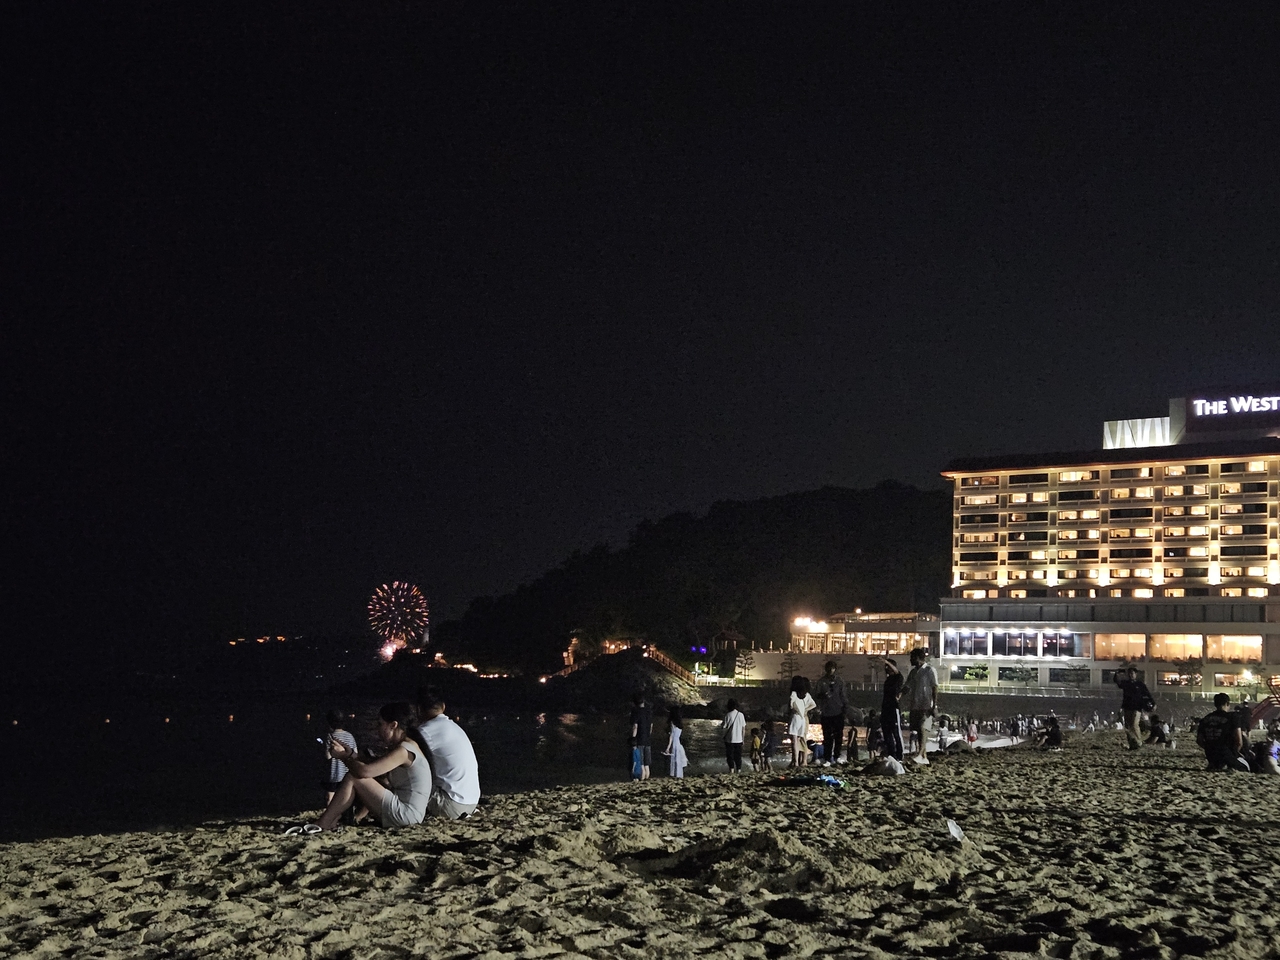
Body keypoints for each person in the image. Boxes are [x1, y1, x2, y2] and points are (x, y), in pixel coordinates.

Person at [311, 702, 431, 832]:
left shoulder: (403, 751)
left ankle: (324, 822)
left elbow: (364, 771)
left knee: (353, 777)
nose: (377, 730)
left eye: (380, 724)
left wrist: (343, 757)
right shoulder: (408, 746)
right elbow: (376, 765)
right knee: (366, 777)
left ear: (393, 725)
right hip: (409, 813)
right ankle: (333, 819)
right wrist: (351, 754)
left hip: (407, 815)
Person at [416, 687, 482, 820]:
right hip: (471, 801)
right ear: (443, 707)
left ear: (418, 709)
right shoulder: (455, 728)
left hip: (452, 805)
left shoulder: (425, 732)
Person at [900, 648, 938, 765]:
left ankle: (920, 754)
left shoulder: (929, 670)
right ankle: (924, 757)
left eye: (912, 657)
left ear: (917, 658)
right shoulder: (913, 672)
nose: (910, 660)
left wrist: (934, 705)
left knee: (923, 728)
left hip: (926, 705)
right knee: (918, 730)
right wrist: (899, 695)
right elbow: (907, 686)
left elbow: (935, 687)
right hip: (915, 705)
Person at [1196, 693, 1244, 771]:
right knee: (1246, 766)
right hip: (1226, 754)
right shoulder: (1233, 717)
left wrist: (1210, 747)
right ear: (1227, 703)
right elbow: (1239, 742)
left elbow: (1199, 740)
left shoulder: (1205, 719)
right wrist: (1234, 754)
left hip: (1211, 754)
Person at [814, 660, 849, 765]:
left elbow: (844, 696)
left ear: (835, 669)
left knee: (838, 736)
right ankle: (827, 758)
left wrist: (845, 709)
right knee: (827, 737)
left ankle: (837, 756)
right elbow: (816, 695)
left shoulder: (840, 681)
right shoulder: (821, 682)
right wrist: (823, 695)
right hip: (826, 713)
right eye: (829, 668)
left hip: (838, 711)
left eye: (832, 668)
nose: (830, 670)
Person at [321, 709, 358, 805]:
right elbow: (355, 754)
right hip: (346, 773)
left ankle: (330, 813)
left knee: (330, 797)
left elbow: (328, 756)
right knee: (345, 796)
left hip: (333, 774)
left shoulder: (330, 737)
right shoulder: (350, 736)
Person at [1115, 666, 1154, 750]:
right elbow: (1117, 682)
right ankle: (1132, 743)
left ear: (1136, 674)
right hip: (1127, 707)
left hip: (1137, 707)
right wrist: (1117, 673)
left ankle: (1139, 741)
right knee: (1128, 726)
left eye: (1132, 673)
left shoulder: (1140, 684)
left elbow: (1147, 694)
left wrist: (1153, 703)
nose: (1131, 675)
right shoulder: (1126, 683)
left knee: (1134, 724)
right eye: (1129, 673)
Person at [787, 675, 817, 768]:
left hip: (796, 717)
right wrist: (805, 710)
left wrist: (792, 708)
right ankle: (800, 761)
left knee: (795, 741)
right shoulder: (806, 695)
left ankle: (796, 761)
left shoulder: (794, 693)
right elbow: (814, 704)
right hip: (803, 718)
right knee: (801, 739)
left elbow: (791, 704)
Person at [880, 658, 905, 762]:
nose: (886, 668)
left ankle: (899, 755)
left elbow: (896, 671)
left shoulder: (898, 678)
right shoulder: (888, 680)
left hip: (894, 708)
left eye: (888, 667)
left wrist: (887, 662)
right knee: (887, 732)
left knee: (896, 732)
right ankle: (891, 754)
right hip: (885, 708)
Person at [629, 691, 653, 781]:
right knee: (647, 764)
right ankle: (646, 780)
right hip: (648, 740)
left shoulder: (636, 712)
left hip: (639, 739)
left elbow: (635, 726)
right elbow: (651, 725)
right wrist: (648, 735)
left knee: (641, 763)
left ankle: (642, 780)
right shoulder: (649, 711)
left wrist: (633, 739)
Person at [721, 698, 746, 773]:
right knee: (738, 756)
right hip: (739, 740)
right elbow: (743, 729)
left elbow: (724, 727)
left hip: (729, 739)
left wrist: (723, 736)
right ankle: (739, 770)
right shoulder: (741, 715)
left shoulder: (728, 715)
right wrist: (743, 739)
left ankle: (731, 770)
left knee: (730, 756)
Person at [664, 706, 688, 778]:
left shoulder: (672, 723)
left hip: (674, 743)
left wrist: (668, 747)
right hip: (678, 743)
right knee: (678, 760)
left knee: (673, 759)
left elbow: (671, 736)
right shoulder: (680, 724)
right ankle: (679, 774)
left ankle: (673, 773)